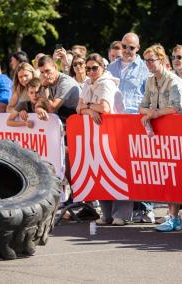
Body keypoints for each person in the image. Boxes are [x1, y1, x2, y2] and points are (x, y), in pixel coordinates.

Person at [75, 53, 130, 226]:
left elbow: (105, 108)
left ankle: (121, 214)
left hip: (114, 132)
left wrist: (89, 107)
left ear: (102, 68)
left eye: (94, 68)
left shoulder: (106, 83)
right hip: (96, 132)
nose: (91, 72)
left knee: (117, 171)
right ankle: (106, 214)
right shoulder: (87, 83)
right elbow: (78, 108)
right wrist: (90, 110)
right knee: (100, 171)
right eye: (88, 68)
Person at [139, 44, 182, 232]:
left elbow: (175, 107)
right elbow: (141, 106)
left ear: (162, 60)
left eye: (152, 60)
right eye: (146, 61)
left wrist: (153, 113)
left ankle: (177, 217)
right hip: (160, 134)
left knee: (176, 174)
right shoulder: (150, 81)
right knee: (167, 174)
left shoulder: (173, 81)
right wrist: (150, 112)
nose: (148, 64)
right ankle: (172, 215)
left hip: (177, 132)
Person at [107, 32, 153, 223]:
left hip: (136, 121)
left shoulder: (144, 68)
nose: (126, 51)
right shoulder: (110, 67)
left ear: (138, 48)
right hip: (114, 122)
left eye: (131, 48)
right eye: (124, 46)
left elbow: (149, 96)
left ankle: (147, 208)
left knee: (141, 166)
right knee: (119, 166)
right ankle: (122, 213)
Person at [37, 55, 81, 122]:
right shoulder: (46, 81)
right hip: (65, 118)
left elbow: (52, 109)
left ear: (55, 67)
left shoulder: (65, 82)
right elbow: (38, 103)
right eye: (42, 72)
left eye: (47, 71)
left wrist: (45, 87)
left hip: (78, 120)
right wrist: (39, 109)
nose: (45, 75)